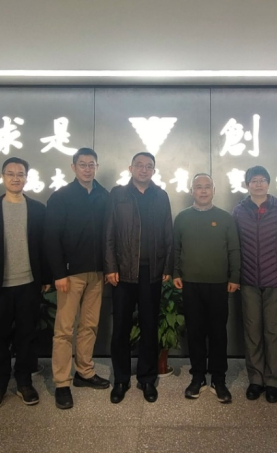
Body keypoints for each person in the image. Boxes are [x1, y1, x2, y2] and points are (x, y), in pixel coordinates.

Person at [0, 157, 50, 412]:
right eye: (10, 173)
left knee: (26, 337)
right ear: (3, 177)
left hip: (28, 283)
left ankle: (24, 383)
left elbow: (43, 247)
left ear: (26, 178)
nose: (16, 178)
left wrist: (46, 278)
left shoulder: (37, 209)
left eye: (20, 174)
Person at [104, 152, 173, 404]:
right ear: (130, 168)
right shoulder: (118, 194)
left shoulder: (161, 196)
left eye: (149, 166)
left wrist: (167, 266)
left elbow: (168, 232)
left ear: (154, 170)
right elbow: (108, 231)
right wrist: (110, 267)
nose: (144, 169)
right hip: (122, 272)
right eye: (140, 165)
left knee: (149, 326)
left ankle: (147, 378)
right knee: (121, 327)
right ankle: (121, 379)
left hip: (151, 272)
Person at [45, 148, 111, 410]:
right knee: (64, 330)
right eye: (82, 164)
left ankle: (84, 371)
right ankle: (62, 382)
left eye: (91, 164)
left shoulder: (104, 196)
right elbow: (51, 237)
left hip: (98, 273)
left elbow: (110, 235)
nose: (87, 169)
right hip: (70, 274)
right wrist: (59, 273)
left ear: (97, 167)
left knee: (89, 325)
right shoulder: (61, 196)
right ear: (73, 167)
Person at [232, 165, 277, 404]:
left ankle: (272, 381)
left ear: (269, 183)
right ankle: (255, 379)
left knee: (273, 331)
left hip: (275, 280)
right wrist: (234, 275)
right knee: (252, 332)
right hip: (248, 281)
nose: (258, 184)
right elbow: (233, 246)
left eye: (262, 180)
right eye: (254, 180)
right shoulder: (239, 211)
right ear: (247, 185)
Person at [173, 174, 241, 403]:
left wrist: (235, 276)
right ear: (191, 190)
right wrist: (176, 273)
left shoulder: (225, 218)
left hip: (219, 283)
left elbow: (234, 249)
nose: (203, 191)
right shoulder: (182, 218)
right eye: (198, 187)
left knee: (218, 333)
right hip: (190, 283)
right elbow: (176, 248)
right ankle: (198, 377)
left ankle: (219, 379)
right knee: (195, 332)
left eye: (207, 187)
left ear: (214, 190)